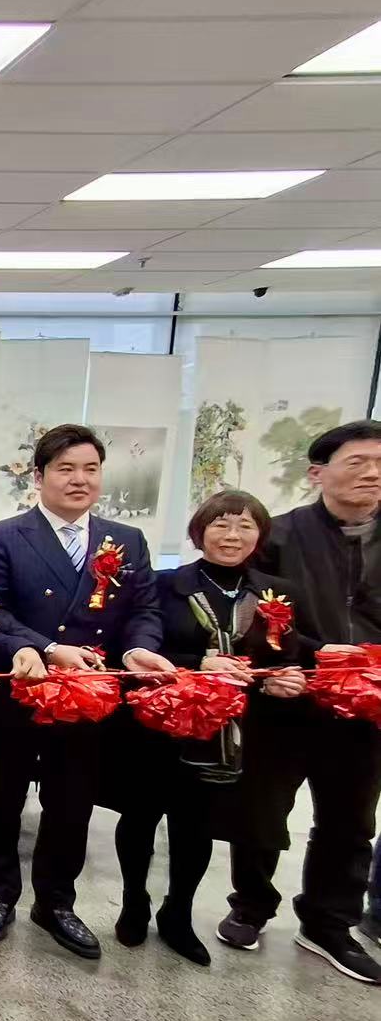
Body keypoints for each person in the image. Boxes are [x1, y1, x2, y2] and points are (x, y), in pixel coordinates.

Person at [0, 424, 173, 960]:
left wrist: (137, 651)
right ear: (38, 477)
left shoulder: (126, 540)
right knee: (2, 796)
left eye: (90, 469)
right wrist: (46, 647)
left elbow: (144, 610)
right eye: (65, 469)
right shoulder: (2, 537)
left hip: (89, 694)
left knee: (72, 802)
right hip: (20, 686)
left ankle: (56, 902)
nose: (79, 479)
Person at [99, 490, 316, 967]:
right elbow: (132, 648)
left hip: (226, 733)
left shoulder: (279, 593)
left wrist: (283, 679)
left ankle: (178, 912)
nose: (232, 536)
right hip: (160, 724)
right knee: (140, 818)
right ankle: (134, 903)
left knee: (196, 826)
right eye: (221, 524)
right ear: (199, 532)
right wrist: (198, 662)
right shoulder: (164, 585)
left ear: (260, 536)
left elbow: (286, 655)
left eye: (244, 526)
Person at [234, 420, 381, 984]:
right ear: (318, 473)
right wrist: (312, 654)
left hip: (368, 705)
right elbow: (254, 618)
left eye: (380, 463)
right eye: (357, 462)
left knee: (351, 817)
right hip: (289, 696)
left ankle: (329, 922)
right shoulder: (279, 536)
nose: (371, 474)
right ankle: (250, 905)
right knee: (263, 811)